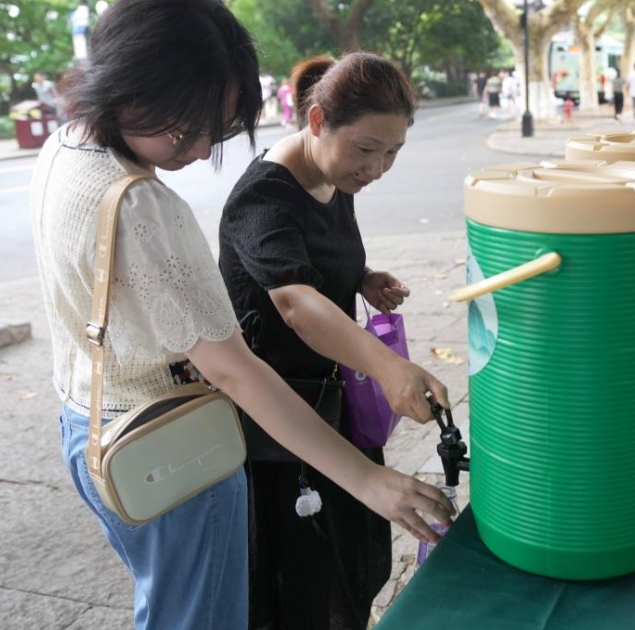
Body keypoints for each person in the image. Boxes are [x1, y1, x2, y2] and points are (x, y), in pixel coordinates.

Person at [29, 2, 454, 629]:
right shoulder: (148, 206)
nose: (202, 153)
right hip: (169, 444)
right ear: (131, 87)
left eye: (217, 132)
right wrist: (366, 479)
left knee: (172, 606)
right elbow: (237, 371)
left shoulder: (65, 151)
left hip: (90, 427)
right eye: (188, 129)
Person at [217, 52, 452, 630]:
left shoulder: (334, 177)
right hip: (283, 426)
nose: (377, 168)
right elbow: (295, 301)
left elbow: (326, 264)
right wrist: (392, 370)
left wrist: (363, 278)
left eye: (393, 152)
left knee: (356, 559)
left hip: (339, 403)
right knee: (303, 581)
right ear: (317, 121)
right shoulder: (263, 198)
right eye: (367, 148)